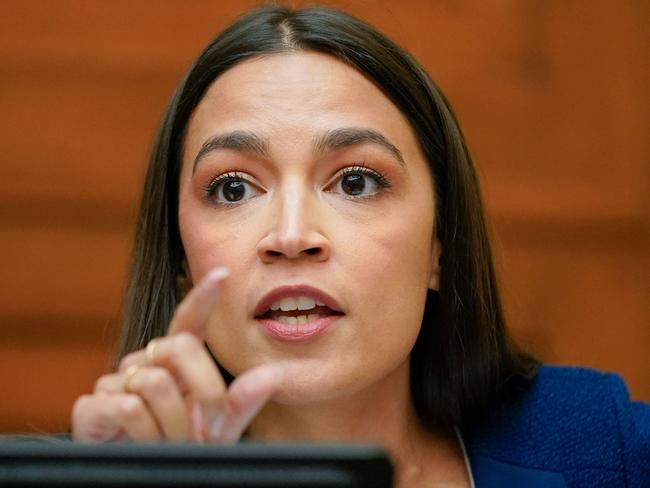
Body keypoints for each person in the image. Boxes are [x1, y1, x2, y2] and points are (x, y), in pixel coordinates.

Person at [71, 5, 649, 487]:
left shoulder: (604, 449)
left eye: (355, 182)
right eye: (232, 188)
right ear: (180, 260)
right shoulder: (108, 476)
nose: (292, 236)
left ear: (438, 247)